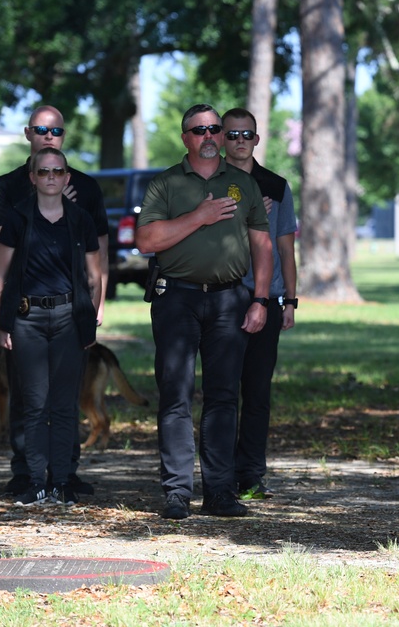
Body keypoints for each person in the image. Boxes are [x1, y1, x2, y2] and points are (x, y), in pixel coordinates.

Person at [137, 103, 272, 520]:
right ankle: (177, 491)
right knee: (175, 394)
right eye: (199, 130)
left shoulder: (243, 183)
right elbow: (146, 241)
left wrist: (260, 299)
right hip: (177, 299)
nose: (209, 136)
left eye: (215, 129)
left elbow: (262, 246)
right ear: (186, 138)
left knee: (223, 397)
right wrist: (199, 216)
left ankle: (219, 491)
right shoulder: (166, 184)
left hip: (230, 300)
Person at [0, 105, 109, 498]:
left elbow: (99, 256)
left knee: (64, 399)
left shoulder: (87, 191)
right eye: (41, 129)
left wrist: (97, 308)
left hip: (69, 310)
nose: (48, 136)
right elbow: (0, 252)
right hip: (24, 311)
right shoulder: (7, 188)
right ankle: (26, 475)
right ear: (28, 133)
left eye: (55, 130)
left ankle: (65, 475)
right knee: (28, 398)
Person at [221, 108, 298, 498]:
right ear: (220, 138)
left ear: (256, 138)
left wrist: (290, 300)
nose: (239, 141)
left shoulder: (276, 185)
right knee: (222, 391)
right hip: (220, 296)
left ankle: (250, 473)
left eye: (245, 134)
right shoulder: (208, 181)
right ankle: (219, 475)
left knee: (256, 391)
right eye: (231, 134)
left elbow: (286, 246)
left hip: (265, 299)